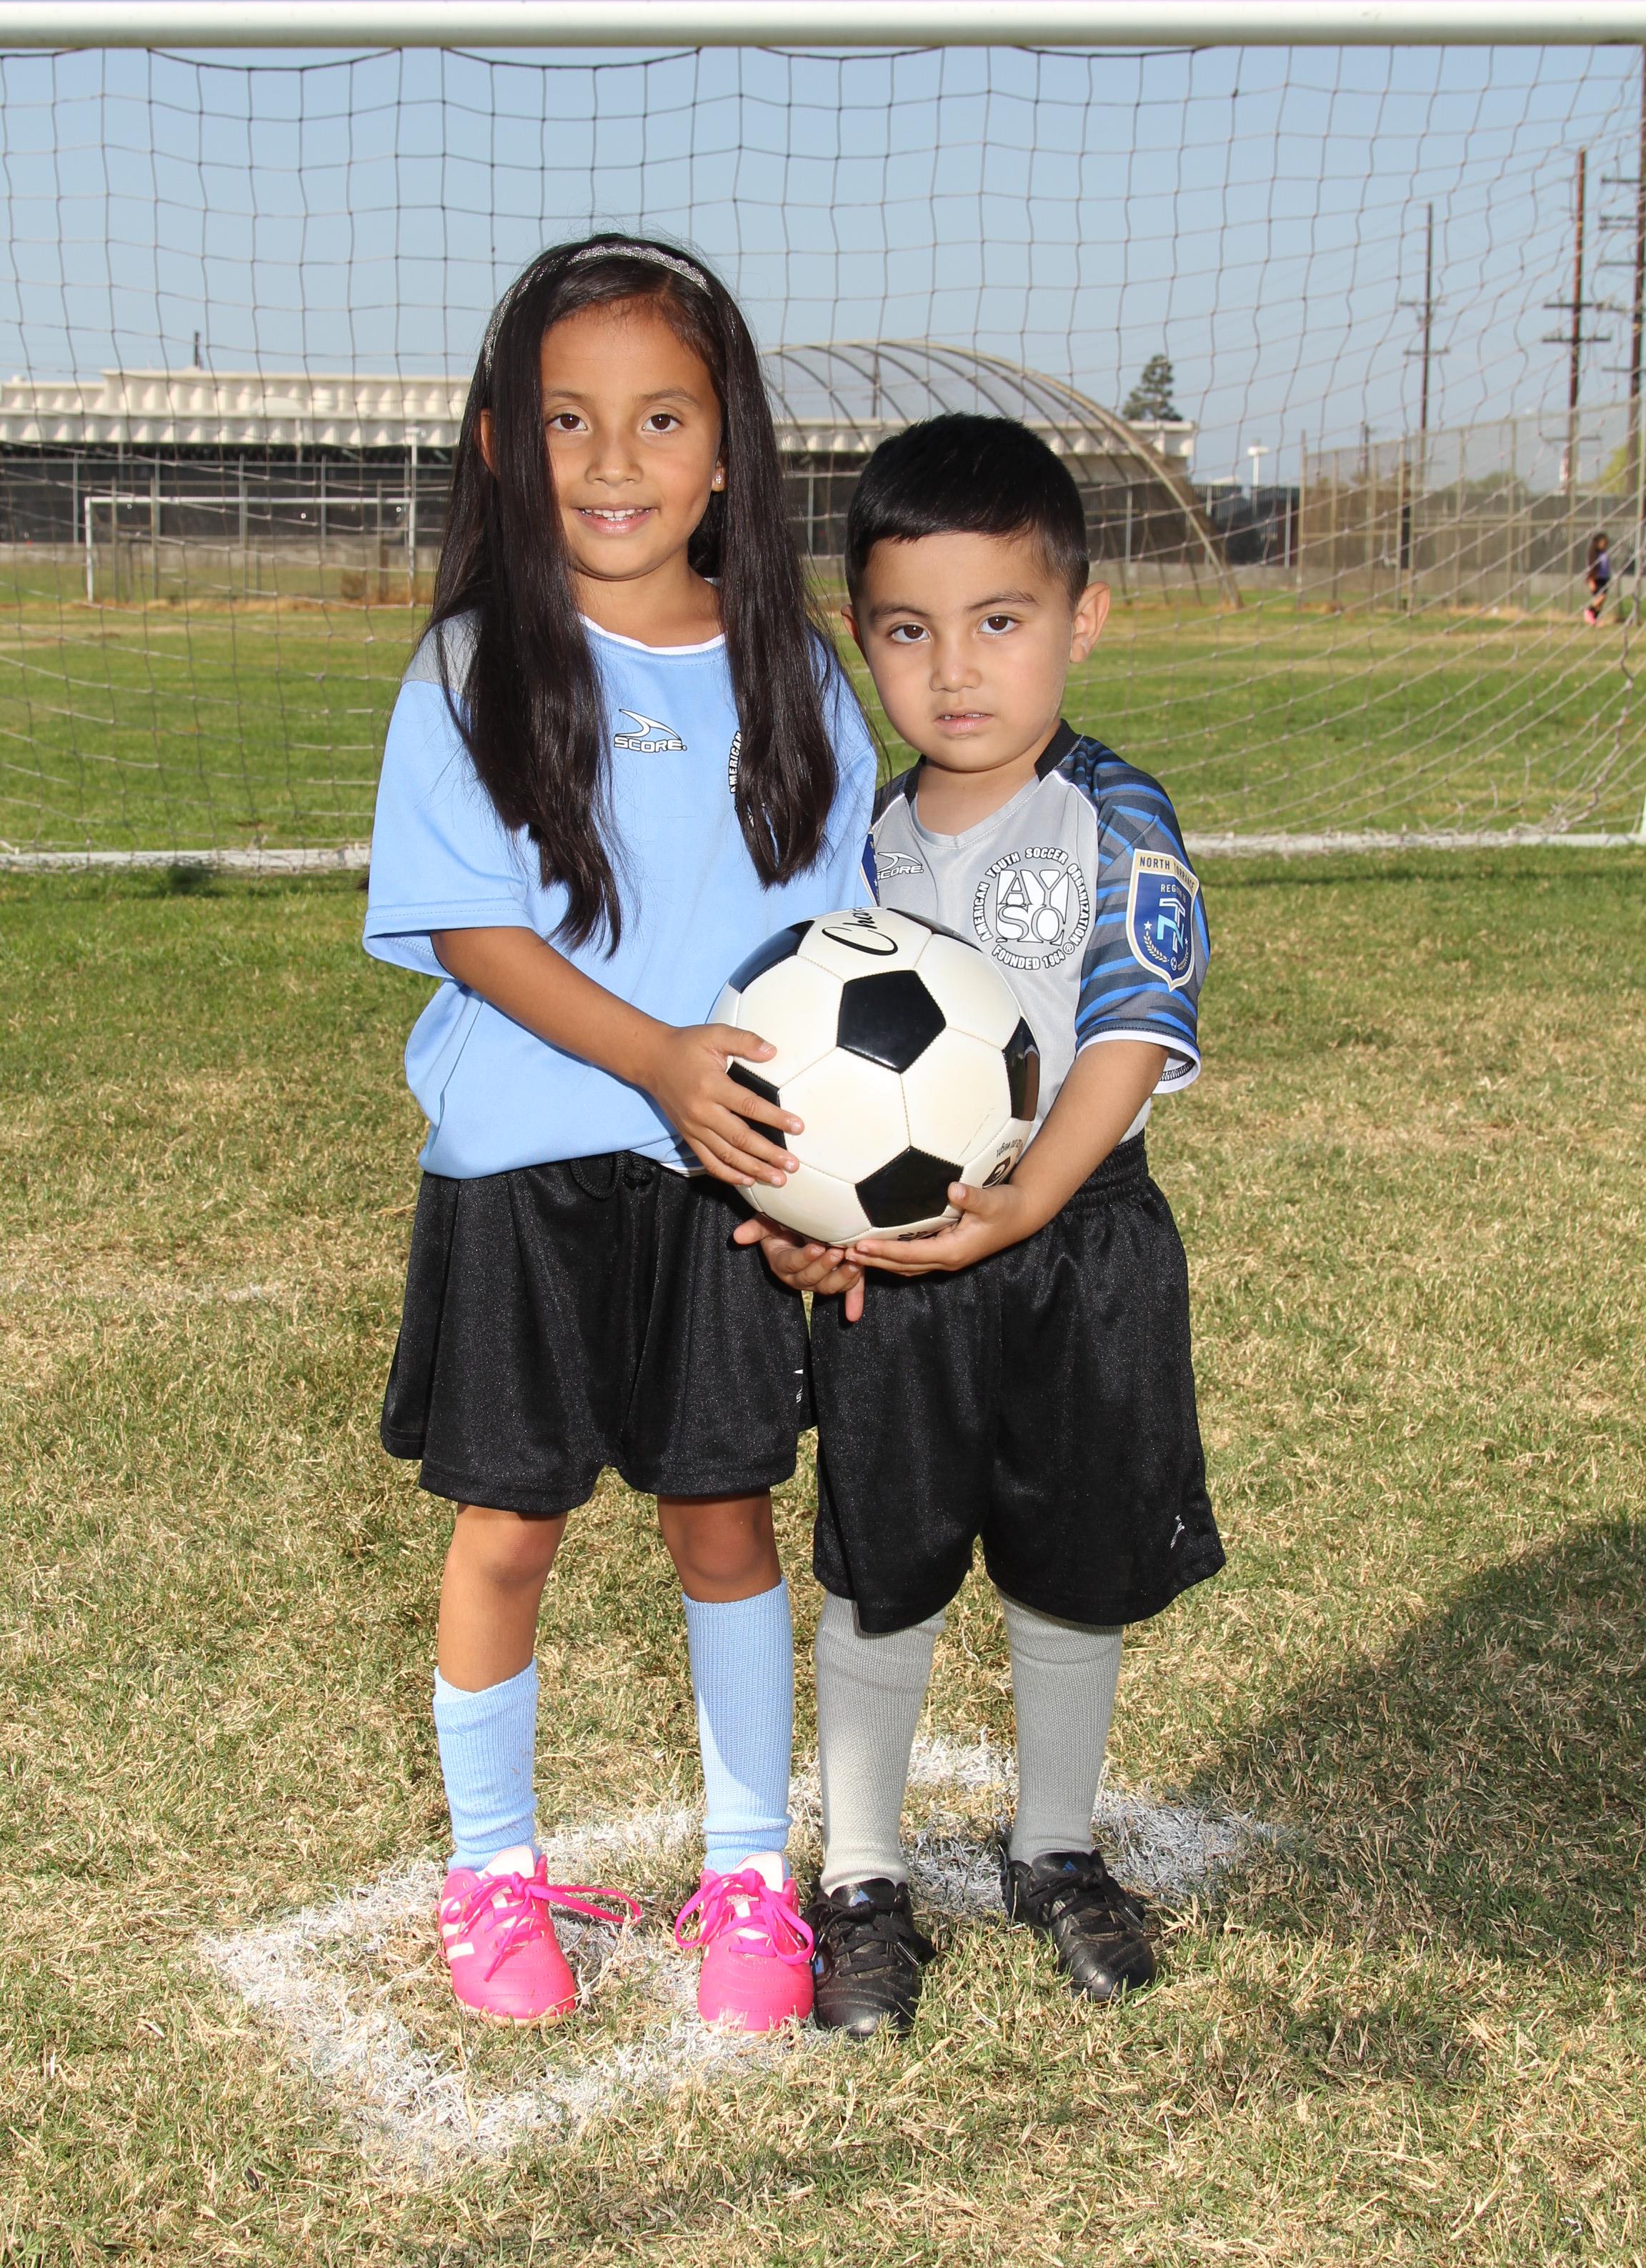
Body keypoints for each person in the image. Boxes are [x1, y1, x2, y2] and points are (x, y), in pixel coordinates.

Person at [362, 234, 876, 2030]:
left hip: (722, 1182)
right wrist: (656, 1056)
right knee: (508, 1529)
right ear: (503, 444)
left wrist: (827, 1187)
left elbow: (842, 964)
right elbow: (472, 931)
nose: (612, 459)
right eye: (567, 418)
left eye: (661, 417)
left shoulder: (798, 676)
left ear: (728, 448)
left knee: (723, 1522)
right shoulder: (470, 669)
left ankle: (747, 1872)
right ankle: (491, 1869)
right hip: (522, 1175)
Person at [738, 414, 1224, 2035]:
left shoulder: (1117, 814)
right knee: (883, 1556)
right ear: (861, 636)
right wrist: (804, 1221)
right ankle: (862, 1874)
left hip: (1079, 1238)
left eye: (997, 620)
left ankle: (1056, 1845)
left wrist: (1031, 1195)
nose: (953, 669)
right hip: (900, 1261)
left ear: (1081, 620)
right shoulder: (853, 843)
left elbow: (1132, 1026)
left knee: (1072, 1557)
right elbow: (796, 1072)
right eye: (906, 630)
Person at [1584, 531, 1612, 626]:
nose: (1605, 545)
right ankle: (1588, 610)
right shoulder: (1594, 555)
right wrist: (1591, 581)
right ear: (1598, 543)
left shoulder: (1604, 553)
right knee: (1601, 597)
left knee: (1600, 603)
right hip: (1596, 579)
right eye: (1603, 543)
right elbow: (1591, 569)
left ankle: (1594, 620)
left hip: (1604, 579)